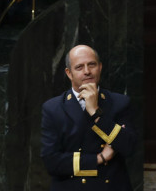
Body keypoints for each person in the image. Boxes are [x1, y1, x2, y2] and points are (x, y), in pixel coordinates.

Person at [41, 45, 136, 190]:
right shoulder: (53, 108)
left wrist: (96, 112)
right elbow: (52, 162)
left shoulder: (120, 102)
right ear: (69, 73)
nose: (87, 71)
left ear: (100, 67)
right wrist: (99, 158)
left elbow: (129, 147)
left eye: (92, 65)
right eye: (79, 67)